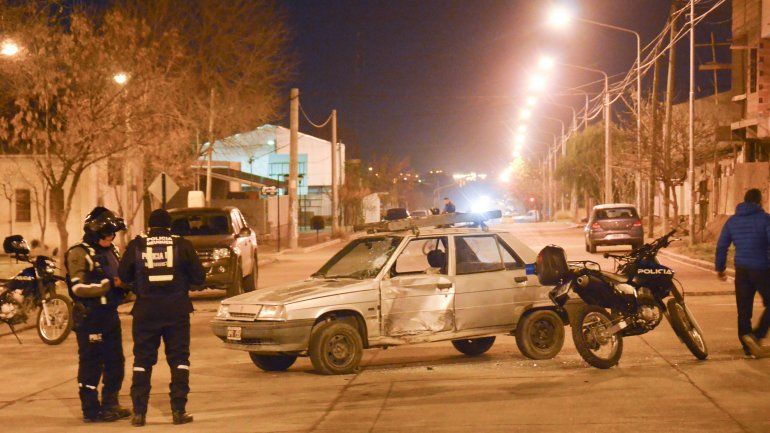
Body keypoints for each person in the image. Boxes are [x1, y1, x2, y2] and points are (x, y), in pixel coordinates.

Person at [119, 209, 205, 426]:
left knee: (142, 360)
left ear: (150, 226)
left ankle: (139, 413)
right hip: (176, 310)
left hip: (146, 310)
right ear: (169, 226)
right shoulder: (182, 244)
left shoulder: (137, 244)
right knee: (179, 360)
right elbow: (199, 277)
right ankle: (178, 410)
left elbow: (123, 275)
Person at [65, 207, 132, 423]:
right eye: (107, 235)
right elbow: (77, 288)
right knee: (92, 363)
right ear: (95, 233)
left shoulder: (112, 251)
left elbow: (121, 276)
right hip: (90, 317)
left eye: (112, 235)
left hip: (109, 315)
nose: (111, 238)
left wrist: (126, 285)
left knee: (116, 362)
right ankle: (91, 409)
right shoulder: (79, 252)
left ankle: (110, 405)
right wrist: (107, 285)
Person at [715, 188, 770, 358]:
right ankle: (757, 335)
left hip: (742, 270)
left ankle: (747, 346)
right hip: (762, 269)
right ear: (759, 201)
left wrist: (720, 268)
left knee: (744, 309)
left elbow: (722, 246)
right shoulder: (765, 219)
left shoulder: (733, 221)